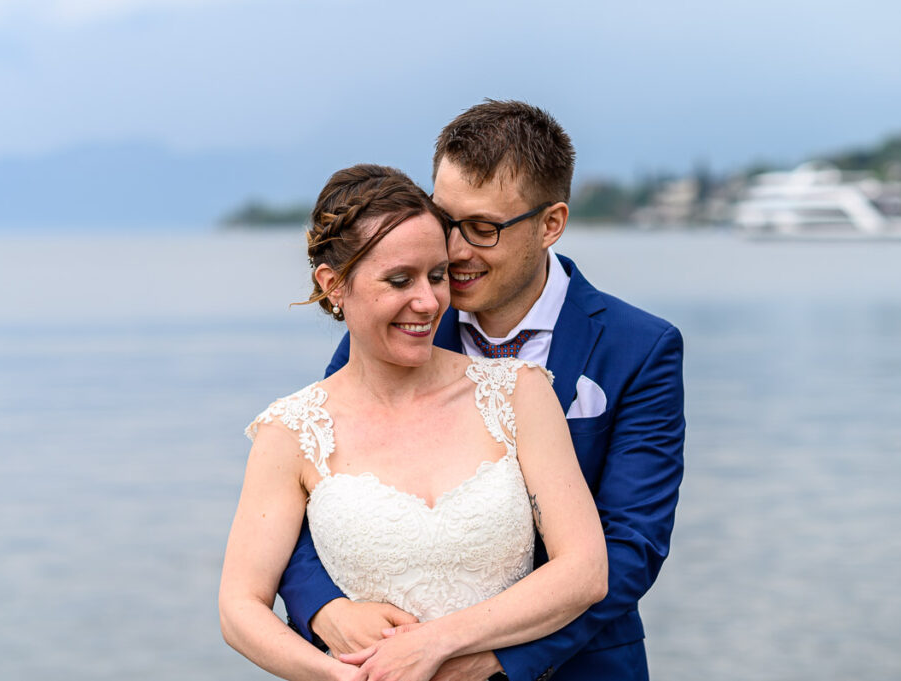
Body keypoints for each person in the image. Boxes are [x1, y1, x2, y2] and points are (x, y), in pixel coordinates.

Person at [278, 101, 686, 681]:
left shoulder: (639, 348)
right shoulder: (394, 326)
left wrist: (490, 656)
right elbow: (315, 485)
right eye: (446, 220)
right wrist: (326, 608)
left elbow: (630, 546)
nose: (455, 251)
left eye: (484, 228)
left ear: (551, 223)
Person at [219, 164, 609, 681]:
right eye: (399, 280)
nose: (428, 303)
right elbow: (240, 607)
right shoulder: (291, 430)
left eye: (438, 275)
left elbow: (584, 571)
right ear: (334, 285)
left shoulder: (518, 391)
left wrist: (432, 644)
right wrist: (335, 676)